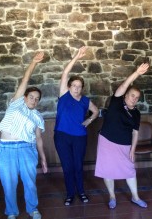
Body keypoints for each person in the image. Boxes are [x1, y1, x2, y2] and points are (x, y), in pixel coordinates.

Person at [0, 52, 47, 219]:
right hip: (6, 149)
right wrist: (33, 62)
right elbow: (25, 80)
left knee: (29, 183)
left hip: (27, 149)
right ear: (24, 97)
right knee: (9, 184)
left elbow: (38, 138)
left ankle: (32, 209)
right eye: (31, 97)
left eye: (37, 98)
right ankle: (11, 212)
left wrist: (44, 159)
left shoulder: (38, 116)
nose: (33, 100)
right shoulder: (16, 104)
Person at [95, 62, 150, 209]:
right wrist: (137, 73)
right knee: (107, 170)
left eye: (137, 97)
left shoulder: (136, 113)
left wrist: (132, 150)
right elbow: (124, 85)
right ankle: (112, 196)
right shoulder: (117, 102)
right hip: (107, 140)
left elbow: (135, 132)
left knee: (130, 170)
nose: (134, 99)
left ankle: (135, 197)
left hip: (125, 144)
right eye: (132, 95)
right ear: (126, 95)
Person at [54, 46, 99, 206]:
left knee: (78, 166)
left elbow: (96, 111)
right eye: (74, 85)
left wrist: (89, 120)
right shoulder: (64, 96)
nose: (77, 88)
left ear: (82, 88)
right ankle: (70, 194)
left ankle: (81, 191)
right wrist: (77, 57)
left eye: (79, 86)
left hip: (80, 137)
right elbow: (65, 73)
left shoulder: (85, 100)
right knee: (68, 167)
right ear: (69, 86)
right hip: (62, 136)